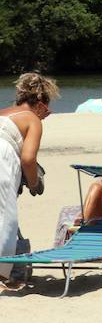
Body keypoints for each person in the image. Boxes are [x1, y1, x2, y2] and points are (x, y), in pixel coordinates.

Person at [0, 73, 59, 289]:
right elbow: (28, 158)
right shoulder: (32, 118)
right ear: (41, 104)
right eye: (48, 108)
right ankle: (5, 273)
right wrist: (34, 183)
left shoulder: (3, 113)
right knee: (5, 218)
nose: (48, 114)